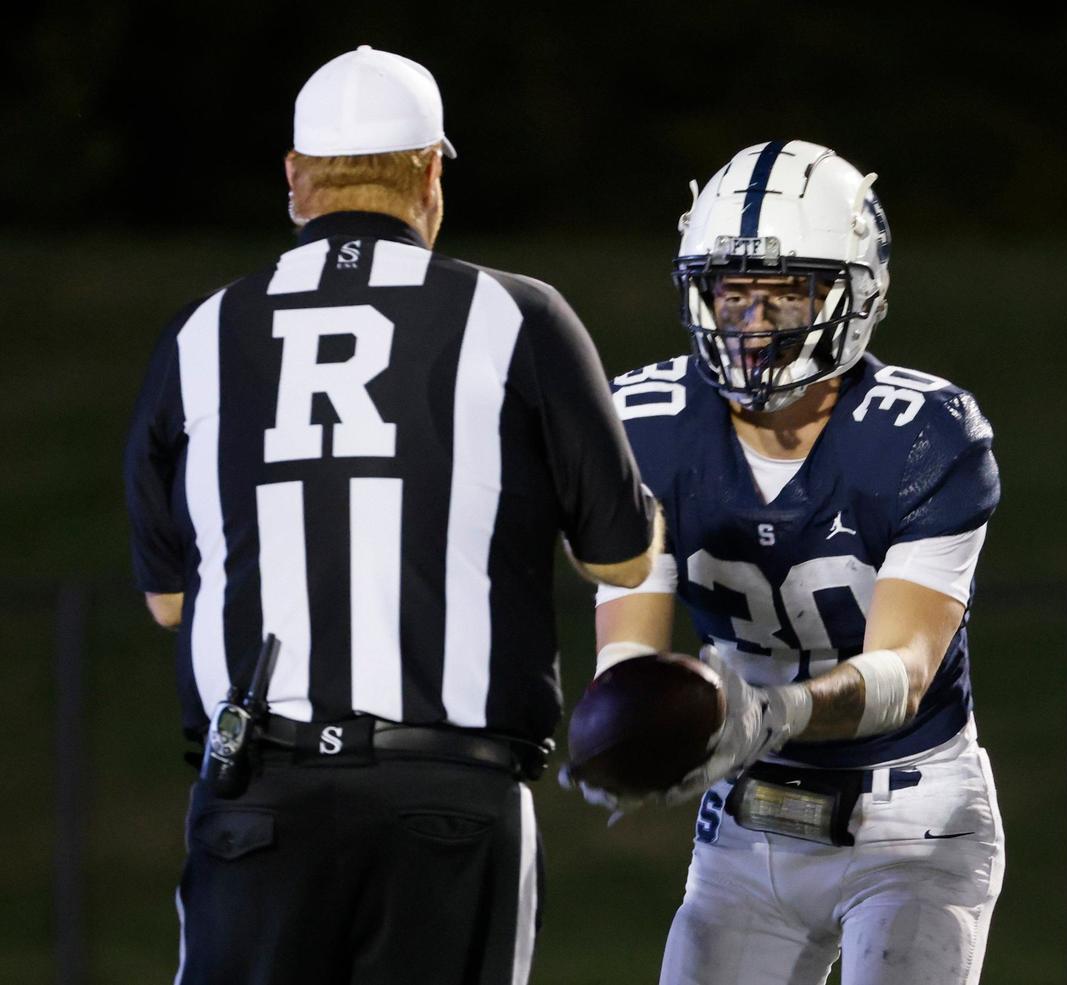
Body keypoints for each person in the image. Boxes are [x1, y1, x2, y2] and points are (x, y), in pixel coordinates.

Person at [123, 45, 660, 985]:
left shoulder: (203, 331)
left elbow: (170, 600)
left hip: (260, 792)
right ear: (430, 174)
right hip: (446, 791)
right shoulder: (516, 316)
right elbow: (621, 559)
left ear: (295, 179)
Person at [578, 140, 1005, 985]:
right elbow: (628, 640)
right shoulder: (647, 422)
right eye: (733, 290)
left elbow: (903, 672)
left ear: (856, 294)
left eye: (786, 291)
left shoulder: (922, 435)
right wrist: (630, 727)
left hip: (908, 819)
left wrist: (766, 714)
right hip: (744, 823)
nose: (754, 319)